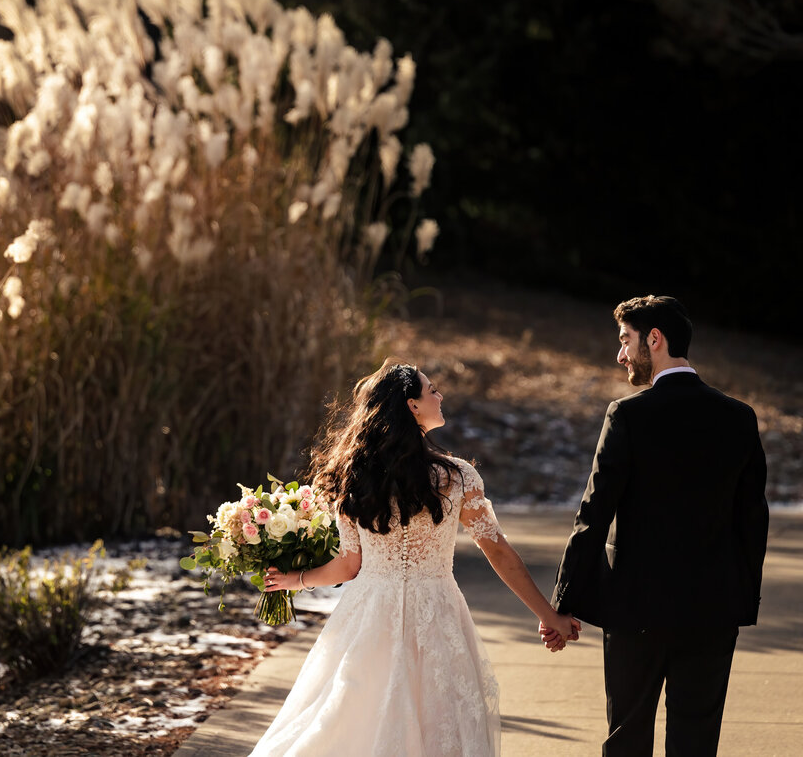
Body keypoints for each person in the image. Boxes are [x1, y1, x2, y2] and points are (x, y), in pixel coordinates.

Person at [251, 359, 578, 757]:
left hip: (368, 616)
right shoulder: (457, 477)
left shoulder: (352, 476)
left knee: (350, 719)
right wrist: (548, 614)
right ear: (412, 406)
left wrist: (296, 580)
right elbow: (497, 550)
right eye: (432, 389)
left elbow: (349, 567)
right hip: (437, 616)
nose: (440, 395)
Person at [544, 295, 769, 756]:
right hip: (714, 611)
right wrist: (740, 600)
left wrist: (562, 605)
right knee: (697, 741)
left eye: (625, 340)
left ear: (655, 338)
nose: (620, 354)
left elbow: (593, 515)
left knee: (627, 738)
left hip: (636, 611)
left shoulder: (627, 414)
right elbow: (753, 519)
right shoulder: (739, 418)